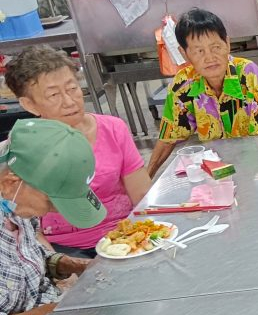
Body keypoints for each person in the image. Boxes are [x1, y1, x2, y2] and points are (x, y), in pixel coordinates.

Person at [5, 45, 151, 258]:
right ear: (29, 104)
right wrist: (58, 265)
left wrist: (145, 236)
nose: (69, 101)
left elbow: (142, 196)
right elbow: (26, 227)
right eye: (53, 94)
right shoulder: (22, 148)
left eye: (72, 88)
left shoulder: (113, 129)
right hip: (62, 249)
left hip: (123, 236)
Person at [0, 119, 106, 315]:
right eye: (50, 203)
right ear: (11, 182)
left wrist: (73, 265)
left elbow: (23, 259)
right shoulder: (16, 193)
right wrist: (56, 310)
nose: (52, 212)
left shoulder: (15, 201)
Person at [146, 8, 258, 177]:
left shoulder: (249, 76)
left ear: (227, 44)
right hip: (216, 172)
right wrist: (146, 180)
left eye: (216, 47)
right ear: (184, 53)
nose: (209, 57)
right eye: (199, 51)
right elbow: (168, 138)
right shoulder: (183, 85)